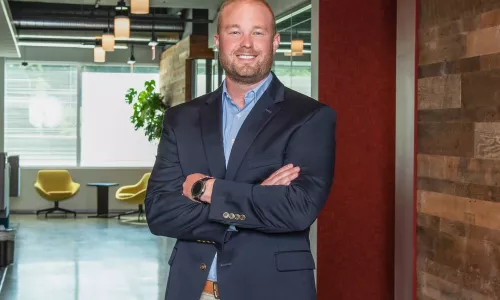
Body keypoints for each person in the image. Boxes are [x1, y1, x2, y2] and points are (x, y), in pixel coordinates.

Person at [144, 0, 336, 299]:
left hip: (272, 291)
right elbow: (159, 212)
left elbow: (296, 210)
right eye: (235, 32)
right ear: (218, 41)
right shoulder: (181, 119)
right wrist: (256, 198)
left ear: (274, 42)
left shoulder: (310, 117)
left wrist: (206, 190)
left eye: (258, 32)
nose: (247, 43)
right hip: (194, 290)